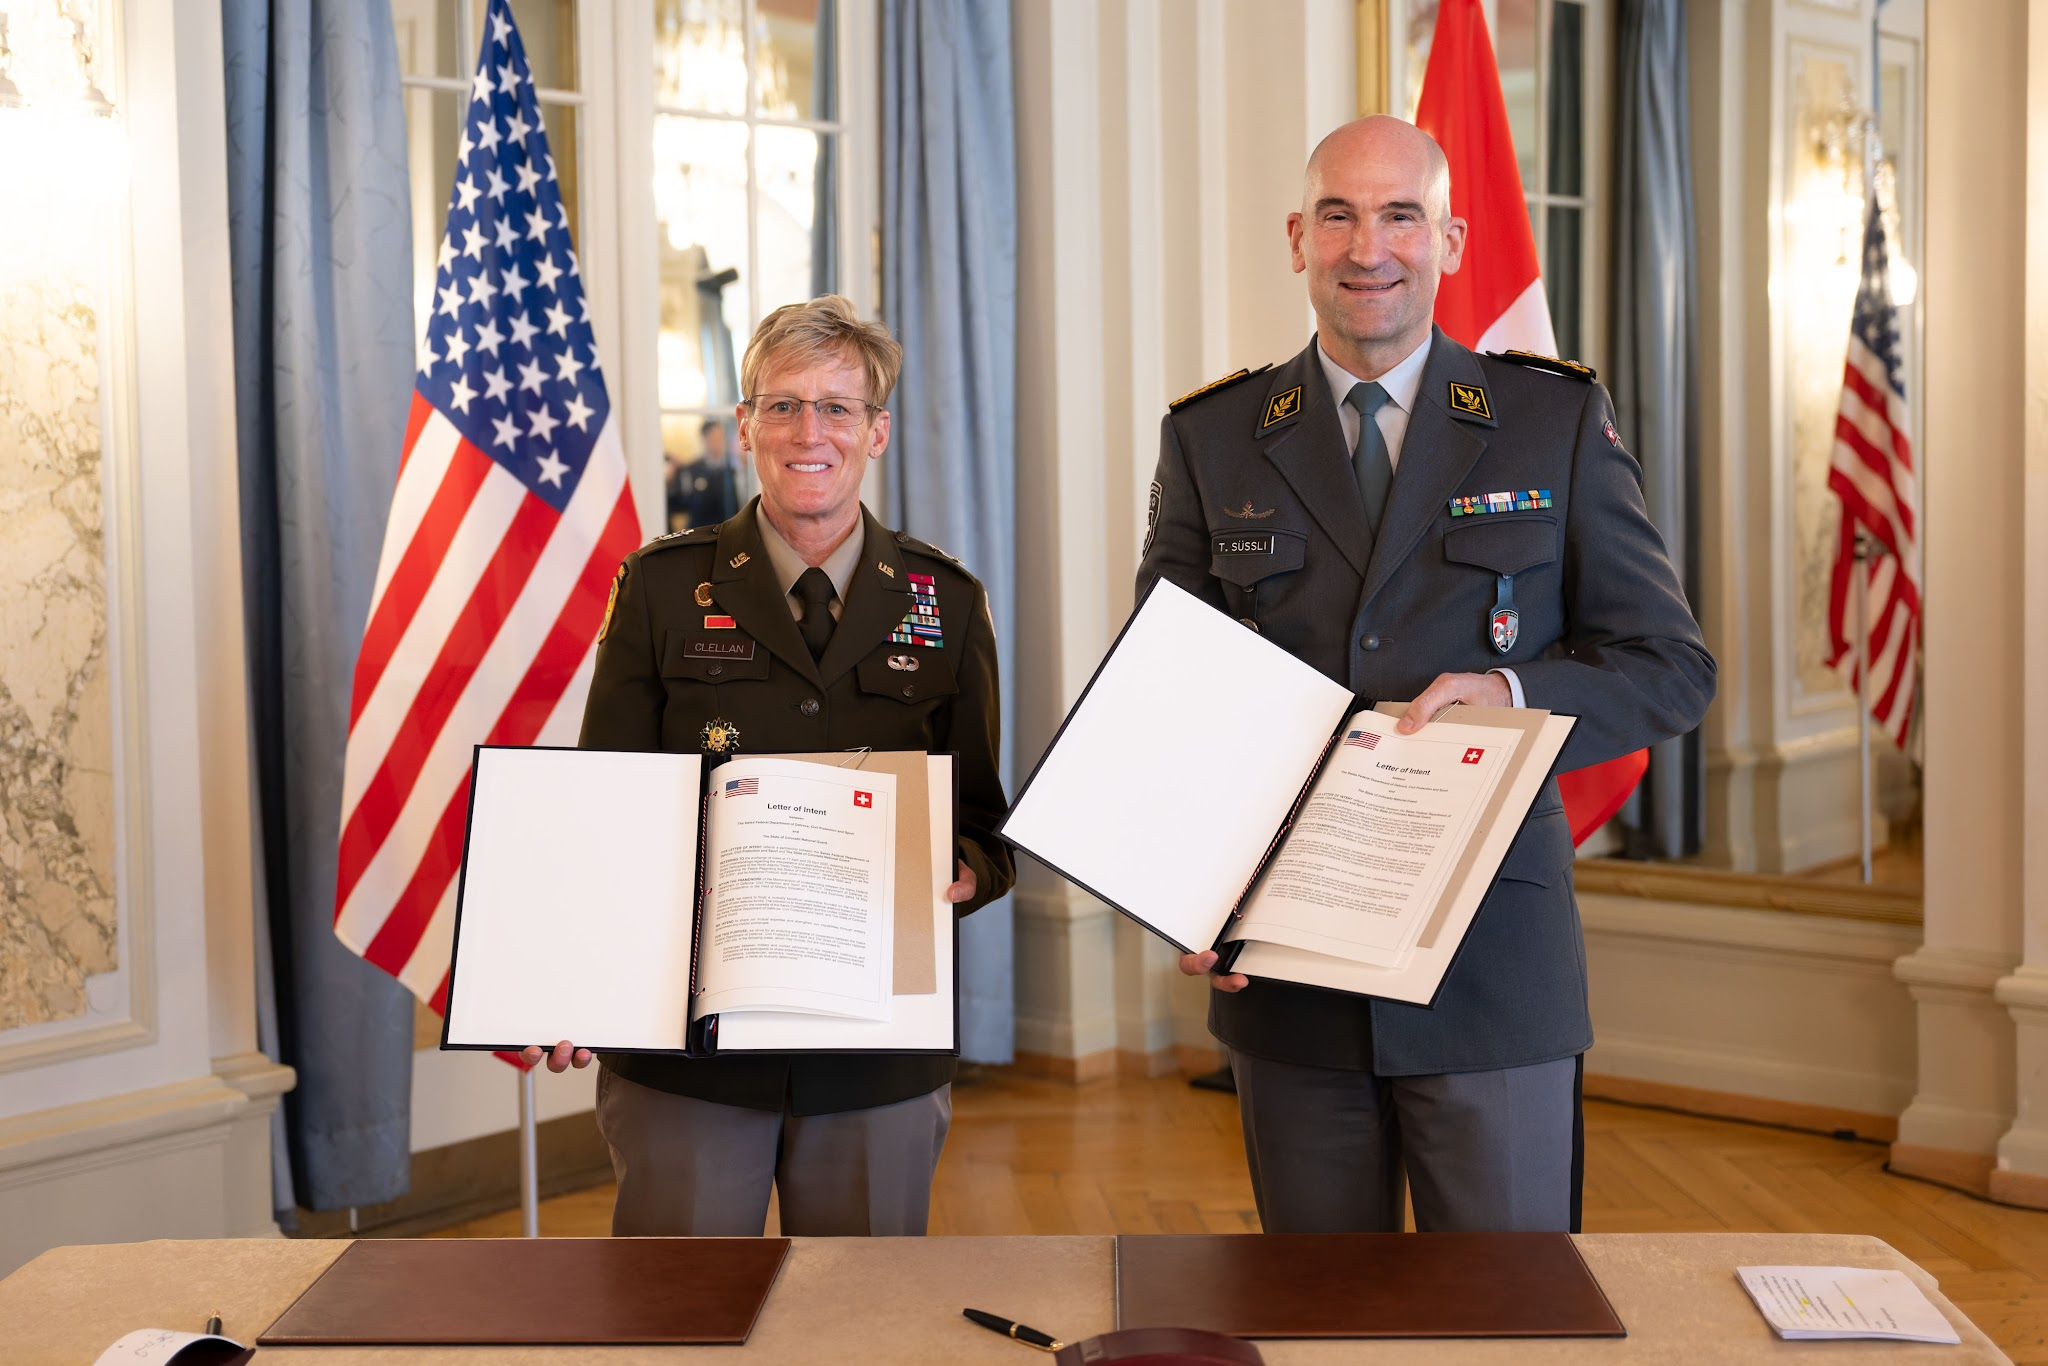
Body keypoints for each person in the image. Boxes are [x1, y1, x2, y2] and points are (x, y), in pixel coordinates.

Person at [1136, 116, 1715, 1235]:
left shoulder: (1550, 420)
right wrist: (1184, 888)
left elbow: (1669, 667)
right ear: (1297, 238)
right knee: (1318, 1309)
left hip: (1490, 965)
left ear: (1449, 240)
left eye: (1401, 216)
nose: (1369, 249)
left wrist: (1510, 697)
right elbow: (1168, 695)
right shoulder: (1212, 437)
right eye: (1339, 217)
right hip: (1289, 968)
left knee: (1507, 1310)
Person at [524, 294, 1014, 1238]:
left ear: (876, 432)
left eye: (837, 407)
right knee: (683, 1307)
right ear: (746, 426)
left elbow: (984, 824)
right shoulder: (662, 586)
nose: (809, 432)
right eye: (783, 405)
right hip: (690, 1050)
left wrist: (964, 868)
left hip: (875, 1044)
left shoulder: (946, 599)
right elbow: (604, 810)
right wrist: (574, 977)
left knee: (863, 1307)